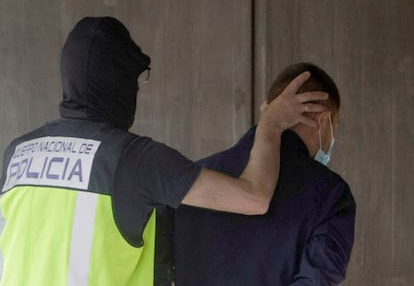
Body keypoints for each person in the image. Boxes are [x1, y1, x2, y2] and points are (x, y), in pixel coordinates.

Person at [0, 18, 327, 286]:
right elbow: (254, 198)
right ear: (118, 82)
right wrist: (271, 124)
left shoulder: (18, 153)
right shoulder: (132, 159)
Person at [174, 63, 356, 285]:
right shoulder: (331, 194)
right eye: (334, 126)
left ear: (267, 110)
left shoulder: (195, 181)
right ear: (323, 120)